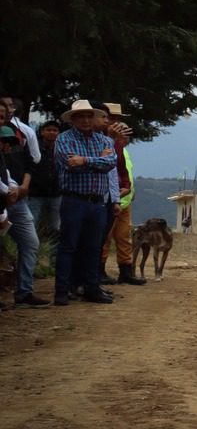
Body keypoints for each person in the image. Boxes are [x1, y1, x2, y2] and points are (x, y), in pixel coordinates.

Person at [52, 99, 117, 305]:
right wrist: (97, 159)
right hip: (74, 200)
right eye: (81, 116)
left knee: (93, 247)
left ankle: (92, 287)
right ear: (73, 119)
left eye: (90, 116)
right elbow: (69, 162)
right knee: (68, 246)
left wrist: (85, 160)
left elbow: (110, 163)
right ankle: (62, 291)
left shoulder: (104, 141)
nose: (86, 120)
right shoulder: (64, 139)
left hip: (97, 202)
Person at [99, 103, 144, 287]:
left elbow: (125, 173)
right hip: (111, 199)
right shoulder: (106, 144)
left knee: (124, 237)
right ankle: (99, 270)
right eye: (113, 118)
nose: (117, 122)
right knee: (105, 237)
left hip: (124, 200)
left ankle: (126, 270)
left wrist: (129, 190)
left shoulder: (122, 151)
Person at [1, 118, 45, 307]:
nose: (8, 147)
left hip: (16, 201)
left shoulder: (20, 135)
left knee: (31, 242)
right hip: (7, 201)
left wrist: (16, 188)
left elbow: (10, 174)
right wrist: (8, 191)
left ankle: (24, 292)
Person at [29, 120, 63, 240]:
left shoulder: (61, 149)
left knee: (55, 228)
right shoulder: (34, 147)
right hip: (35, 195)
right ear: (42, 132)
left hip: (56, 194)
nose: (52, 133)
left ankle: (53, 256)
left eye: (55, 130)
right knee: (32, 226)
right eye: (49, 130)